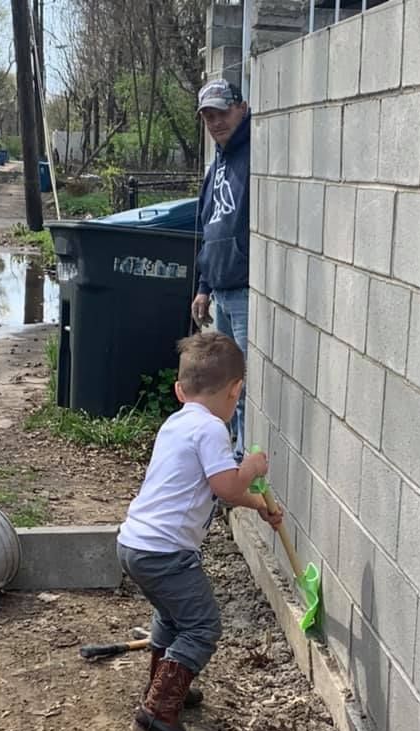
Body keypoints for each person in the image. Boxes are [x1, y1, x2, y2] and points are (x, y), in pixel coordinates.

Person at [116, 331, 282, 731]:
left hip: (136, 543)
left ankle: (165, 685)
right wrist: (250, 468)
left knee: (172, 616)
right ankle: (158, 709)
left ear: (178, 390)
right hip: (166, 552)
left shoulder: (178, 422)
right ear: (235, 391)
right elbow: (225, 486)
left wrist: (258, 505)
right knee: (203, 624)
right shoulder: (212, 430)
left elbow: (213, 487)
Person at [191, 78, 251, 462]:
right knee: (225, 385)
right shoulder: (217, 166)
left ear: (241, 108)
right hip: (221, 289)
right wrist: (203, 286)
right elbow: (208, 227)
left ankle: (244, 463)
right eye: (209, 116)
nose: (216, 122)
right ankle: (226, 460)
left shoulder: (254, 156)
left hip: (246, 290)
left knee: (244, 387)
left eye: (222, 112)